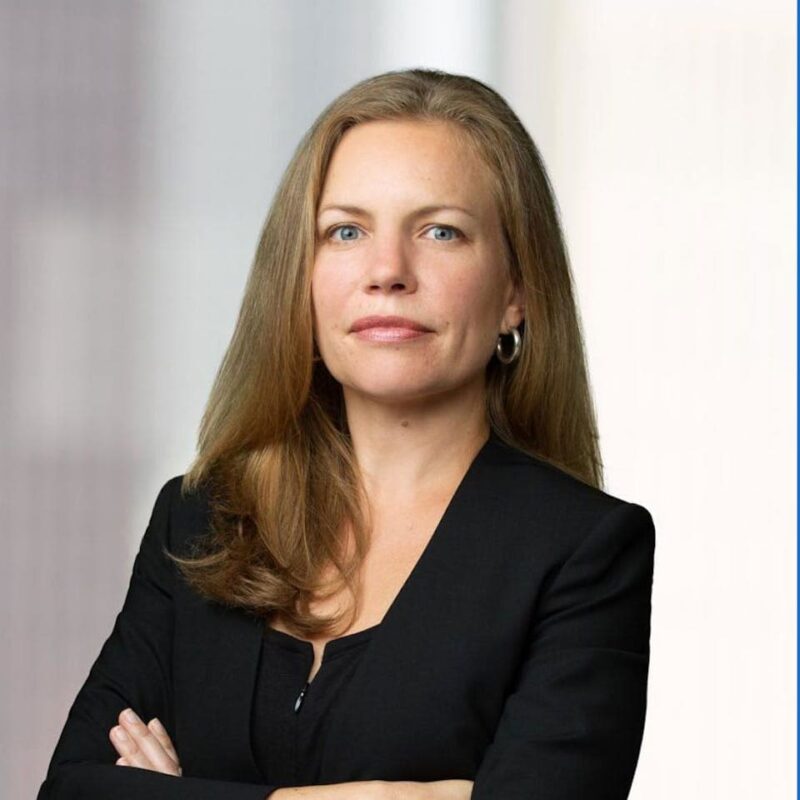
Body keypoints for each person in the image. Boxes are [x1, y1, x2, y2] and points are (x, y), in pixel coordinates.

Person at [37, 68, 655, 800]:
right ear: (301, 278)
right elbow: (75, 789)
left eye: (441, 231)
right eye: (346, 231)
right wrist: (390, 797)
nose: (387, 271)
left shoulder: (583, 549)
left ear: (515, 295)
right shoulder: (200, 517)